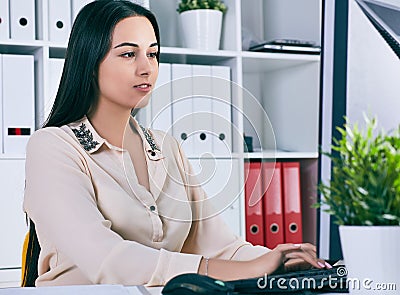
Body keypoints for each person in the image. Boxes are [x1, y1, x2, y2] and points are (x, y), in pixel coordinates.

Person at [22, 0, 331, 287]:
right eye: (129, 54)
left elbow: (221, 247)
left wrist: (280, 258)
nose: (146, 68)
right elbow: (106, 259)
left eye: (153, 53)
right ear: (90, 63)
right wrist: (247, 269)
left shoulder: (166, 148)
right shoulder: (52, 147)